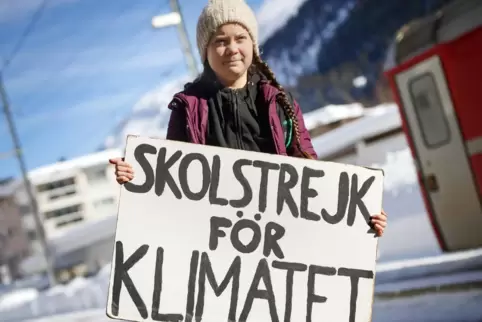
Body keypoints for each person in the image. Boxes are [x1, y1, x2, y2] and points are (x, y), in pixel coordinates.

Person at [109, 0, 387, 236]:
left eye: (240, 38)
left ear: (253, 45)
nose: (231, 48)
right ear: (205, 52)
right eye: (220, 41)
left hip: (278, 243)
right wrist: (138, 177)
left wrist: (357, 214)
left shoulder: (281, 104)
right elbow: (171, 183)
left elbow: (309, 177)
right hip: (216, 247)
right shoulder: (188, 110)